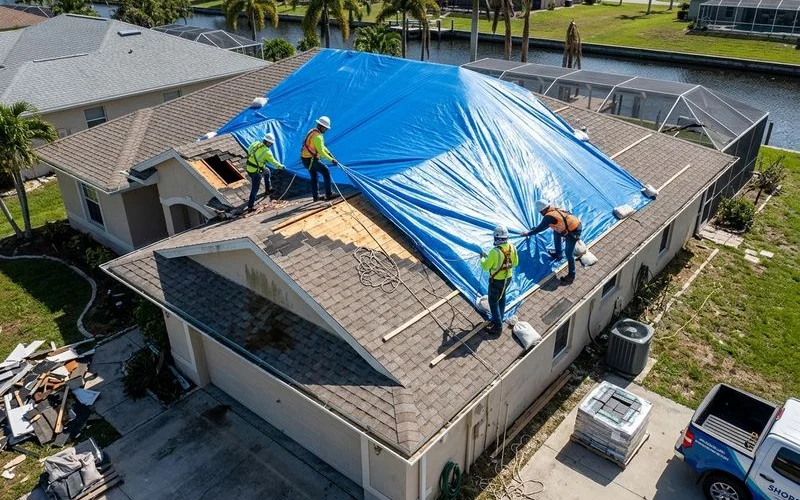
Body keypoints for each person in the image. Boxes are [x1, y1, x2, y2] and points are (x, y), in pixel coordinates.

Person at [521, 200, 582, 284]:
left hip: (573, 231)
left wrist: (528, 234)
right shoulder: (554, 209)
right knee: (556, 232)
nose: (541, 214)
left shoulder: (548, 217)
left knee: (569, 253)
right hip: (575, 225)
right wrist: (536, 229)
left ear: (543, 210)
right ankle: (558, 254)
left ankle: (571, 275)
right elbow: (547, 224)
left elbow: (541, 228)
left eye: (541, 212)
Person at [480, 225, 519, 334]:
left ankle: (497, 327)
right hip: (508, 278)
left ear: (496, 238)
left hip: (496, 281)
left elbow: (485, 266)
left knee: (493, 302)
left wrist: (483, 259)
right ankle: (499, 318)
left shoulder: (494, 252)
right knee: (502, 297)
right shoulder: (512, 247)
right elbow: (515, 263)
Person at [300, 115, 339, 202]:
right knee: (326, 171)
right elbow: (321, 152)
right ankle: (329, 194)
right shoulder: (318, 137)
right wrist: (332, 160)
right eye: (326, 128)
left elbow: (322, 147)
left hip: (305, 159)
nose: (326, 130)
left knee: (314, 176)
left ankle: (316, 196)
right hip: (311, 160)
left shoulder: (313, 131)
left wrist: (329, 154)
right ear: (321, 126)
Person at [245, 132, 284, 212]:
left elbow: (249, 151)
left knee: (267, 171)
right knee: (255, 189)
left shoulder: (256, 144)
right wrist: (281, 166)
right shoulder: (267, 152)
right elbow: (273, 162)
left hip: (249, 168)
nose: (271, 145)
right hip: (256, 172)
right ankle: (250, 207)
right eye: (271, 143)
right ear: (268, 142)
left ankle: (267, 190)